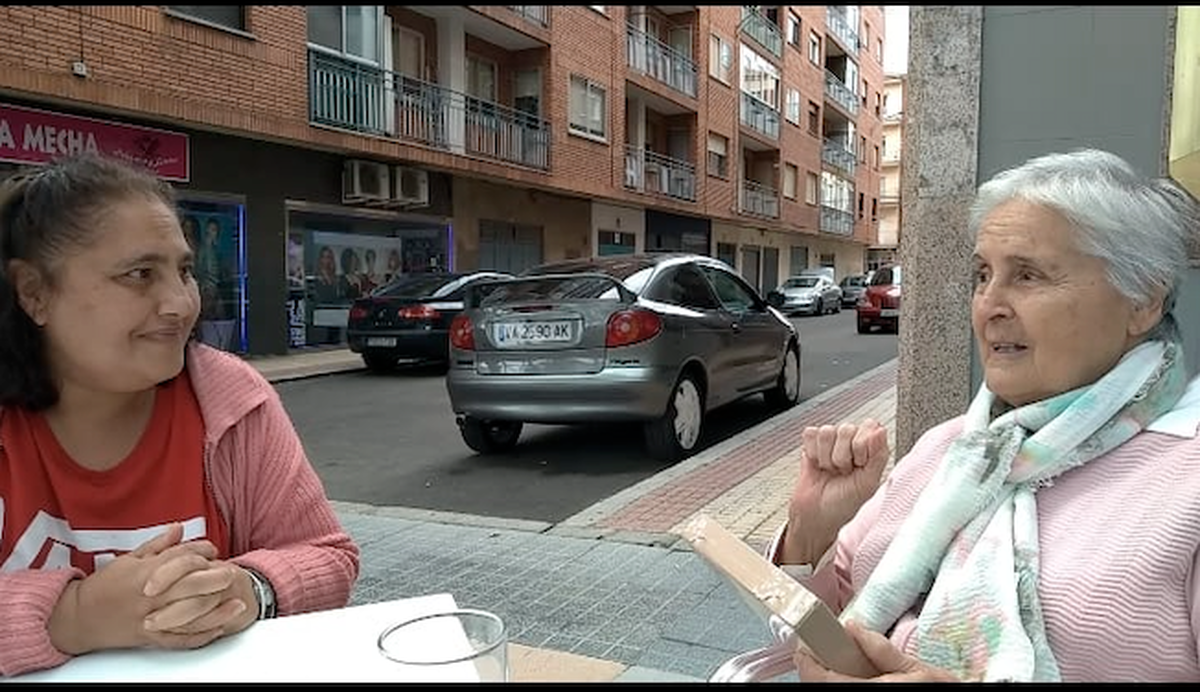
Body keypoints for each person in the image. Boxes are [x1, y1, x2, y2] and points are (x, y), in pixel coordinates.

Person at [768, 148, 1200, 683]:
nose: (989, 305)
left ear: (1144, 300)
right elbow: (819, 630)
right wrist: (811, 539)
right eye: (982, 275)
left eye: (1028, 276)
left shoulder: (1187, 478)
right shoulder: (953, 448)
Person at [0, 154, 361, 677]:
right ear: (34, 292)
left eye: (185, 271)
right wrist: (74, 617)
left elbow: (329, 557)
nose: (180, 303)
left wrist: (250, 589)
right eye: (139, 274)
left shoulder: (232, 400)